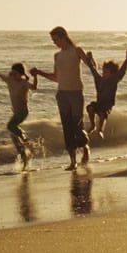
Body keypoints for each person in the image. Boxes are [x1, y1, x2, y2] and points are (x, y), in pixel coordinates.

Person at [31, 26, 90, 170]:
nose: (54, 42)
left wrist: (91, 59)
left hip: (76, 93)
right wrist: (38, 72)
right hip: (62, 94)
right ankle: (73, 161)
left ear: (63, 37)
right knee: (67, 127)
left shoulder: (77, 50)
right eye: (53, 40)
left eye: (55, 39)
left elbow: (91, 66)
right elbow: (56, 77)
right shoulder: (57, 56)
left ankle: (85, 148)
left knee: (77, 126)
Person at [0, 62, 38, 169]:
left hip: (23, 112)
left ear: (21, 73)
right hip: (16, 112)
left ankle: (27, 140)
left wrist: (35, 77)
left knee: (10, 126)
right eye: (12, 73)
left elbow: (34, 87)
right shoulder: (9, 80)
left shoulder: (24, 83)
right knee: (13, 135)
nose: (13, 75)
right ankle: (24, 157)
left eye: (15, 74)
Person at [83, 50, 127, 139]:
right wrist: (90, 59)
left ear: (112, 74)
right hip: (99, 103)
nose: (103, 73)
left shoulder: (114, 80)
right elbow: (93, 69)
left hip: (107, 105)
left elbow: (122, 70)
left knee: (102, 114)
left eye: (106, 72)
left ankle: (100, 130)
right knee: (90, 108)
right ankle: (93, 125)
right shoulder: (99, 80)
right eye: (103, 71)